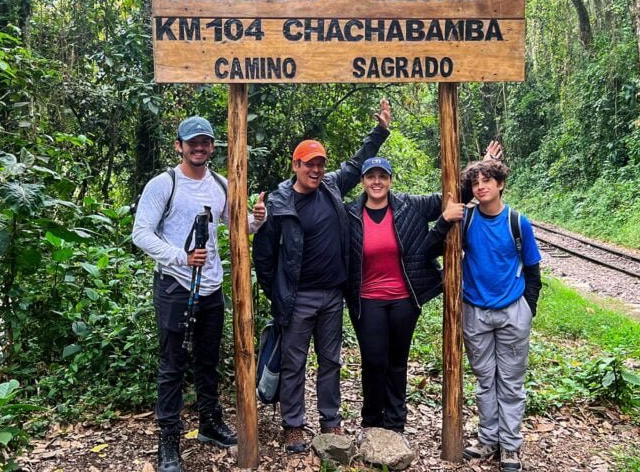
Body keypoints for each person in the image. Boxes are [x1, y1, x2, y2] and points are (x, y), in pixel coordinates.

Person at [253, 99, 391, 454]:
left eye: (320, 164)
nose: (316, 170)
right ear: (296, 165)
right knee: (294, 362)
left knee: (331, 360)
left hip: (332, 295)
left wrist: (380, 131)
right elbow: (264, 257)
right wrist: (278, 293)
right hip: (298, 298)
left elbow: (357, 163)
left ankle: (331, 420)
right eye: (309, 164)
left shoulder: (331, 186)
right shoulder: (279, 203)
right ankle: (294, 426)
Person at [132, 116, 265, 472]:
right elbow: (141, 233)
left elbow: (237, 227)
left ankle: (209, 423)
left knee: (207, 361)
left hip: (210, 288)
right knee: (172, 365)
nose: (199, 148)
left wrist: (256, 220)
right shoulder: (165, 184)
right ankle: (169, 442)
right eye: (193, 143)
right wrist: (181, 257)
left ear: (212, 147)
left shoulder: (220, 184)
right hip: (176, 287)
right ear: (179, 145)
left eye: (205, 142)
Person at [344, 142, 504, 434]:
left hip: (405, 298)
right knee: (373, 361)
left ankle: (395, 425)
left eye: (382, 176)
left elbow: (455, 195)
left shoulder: (410, 206)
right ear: (363, 181)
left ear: (390, 180)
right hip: (367, 299)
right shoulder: (349, 214)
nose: (376, 182)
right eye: (371, 176)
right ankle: (371, 422)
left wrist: (484, 165)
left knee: (396, 362)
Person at [442, 158, 542, 472]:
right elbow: (442, 236)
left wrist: (527, 309)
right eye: (476, 183)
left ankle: (510, 447)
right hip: (475, 312)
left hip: (512, 312)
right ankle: (488, 439)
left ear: (500, 184)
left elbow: (533, 270)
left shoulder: (517, 222)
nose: (481, 186)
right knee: (485, 381)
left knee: (511, 383)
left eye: (488, 180)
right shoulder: (466, 220)